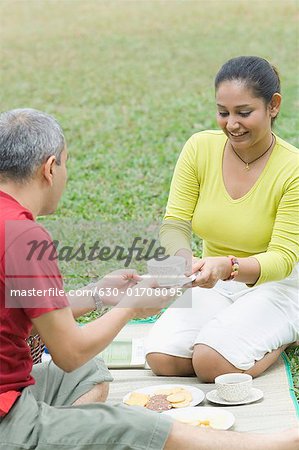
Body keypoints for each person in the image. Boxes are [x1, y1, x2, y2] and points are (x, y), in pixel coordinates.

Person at [0, 108, 297, 450]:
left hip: (13, 386)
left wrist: (101, 294)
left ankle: (60, 434)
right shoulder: (24, 236)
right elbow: (69, 352)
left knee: (87, 374)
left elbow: (28, 315)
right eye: (67, 163)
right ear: (50, 168)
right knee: (132, 425)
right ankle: (271, 445)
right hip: (7, 414)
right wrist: (131, 305)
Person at [145, 56, 299, 384]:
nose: (231, 124)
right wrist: (185, 260)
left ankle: (285, 334)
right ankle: (236, 329)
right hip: (215, 279)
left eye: (244, 113)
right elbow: (174, 222)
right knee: (161, 357)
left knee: (211, 362)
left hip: (277, 284)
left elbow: (284, 259)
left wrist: (227, 267)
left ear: (273, 106)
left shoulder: (292, 169)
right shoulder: (200, 148)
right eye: (223, 112)